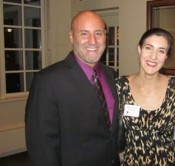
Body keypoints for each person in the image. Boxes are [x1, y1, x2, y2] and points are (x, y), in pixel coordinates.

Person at [25, 11, 120, 165]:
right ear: (71, 36)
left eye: (98, 33)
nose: (93, 41)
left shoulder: (111, 75)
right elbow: (41, 146)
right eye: (84, 33)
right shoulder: (48, 81)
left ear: (105, 37)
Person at [116, 28, 175, 165]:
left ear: (166, 57)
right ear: (139, 49)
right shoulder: (120, 86)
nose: (153, 57)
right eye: (148, 48)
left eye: (161, 51)